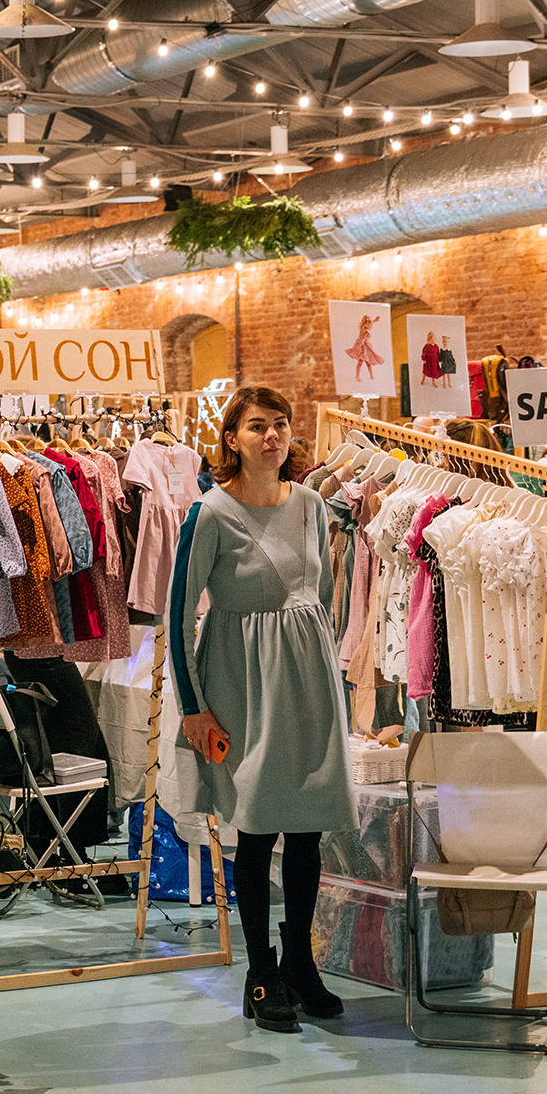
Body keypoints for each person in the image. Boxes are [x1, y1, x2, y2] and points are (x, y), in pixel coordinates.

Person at [169, 386, 356, 1033]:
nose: (272, 436)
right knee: (257, 823)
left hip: (306, 676)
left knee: (306, 825)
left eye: (280, 424)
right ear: (232, 439)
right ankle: (260, 970)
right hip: (243, 679)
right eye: (257, 426)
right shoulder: (210, 512)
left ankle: (301, 963)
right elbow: (178, 612)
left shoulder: (309, 503)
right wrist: (193, 705)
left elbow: (322, 594)